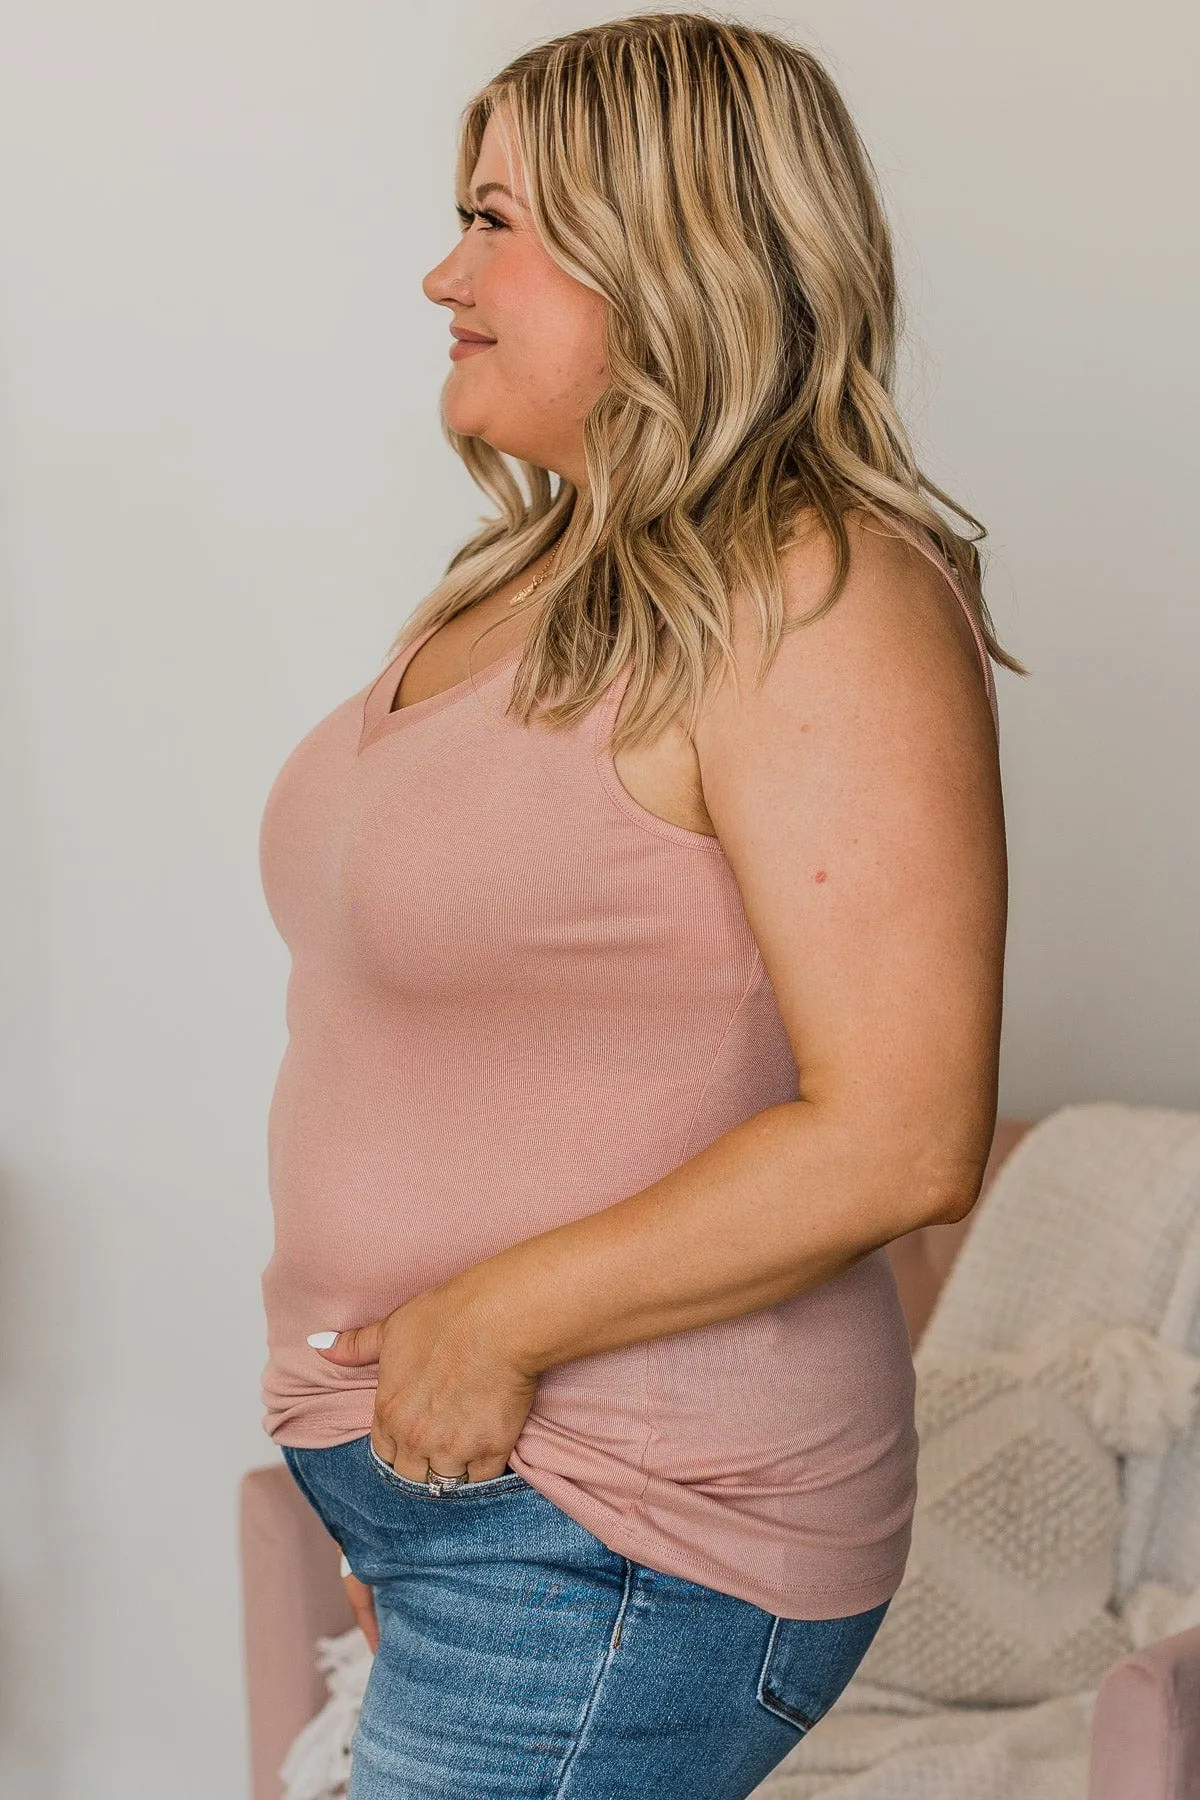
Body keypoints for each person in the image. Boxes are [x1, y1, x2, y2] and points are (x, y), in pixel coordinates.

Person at [257, 13, 1019, 1797]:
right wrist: (387, 1448)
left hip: (623, 1522)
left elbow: (905, 1136)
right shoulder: (540, 574)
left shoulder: (818, 590)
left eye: (504, 219)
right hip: (469, 1495)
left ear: (674, 251)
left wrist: (486, 1325)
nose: (448, 271)